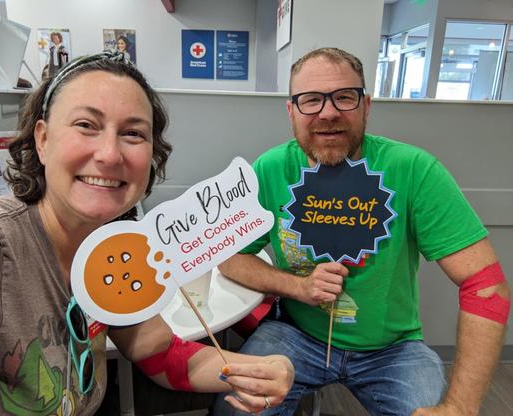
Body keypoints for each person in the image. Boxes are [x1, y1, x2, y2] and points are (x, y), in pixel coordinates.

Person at [0, 52, 294, 415]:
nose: (109, 154)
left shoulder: (113, 248)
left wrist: (259, 370)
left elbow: (162, 355)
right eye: (86, 124)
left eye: (133, 133)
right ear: (42, 140)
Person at [213, 47, 510, 416]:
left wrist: (461, 408)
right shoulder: (271, 169)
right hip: (294, 334)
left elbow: (486, 285)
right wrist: (298, 287)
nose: (328, 112)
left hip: (393, 349)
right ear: (291, 111)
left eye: (344, 97)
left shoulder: (414, 169)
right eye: (310, 100)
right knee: (234, 409)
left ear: (366, 106)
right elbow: (228, 256)